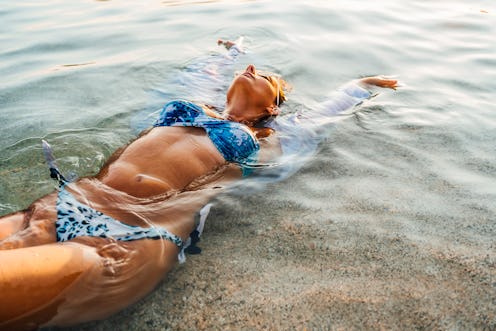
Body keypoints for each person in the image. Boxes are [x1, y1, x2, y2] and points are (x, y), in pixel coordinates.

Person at [0, 38, 397, 330]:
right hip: (67, 202)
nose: (254, 70)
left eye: (267, 78)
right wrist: (228, 54)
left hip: (130, 237)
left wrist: (361, 85)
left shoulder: (266, 139)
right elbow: (200, 76)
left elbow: (321, 118)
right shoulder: (199, 106)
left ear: (271, 108)